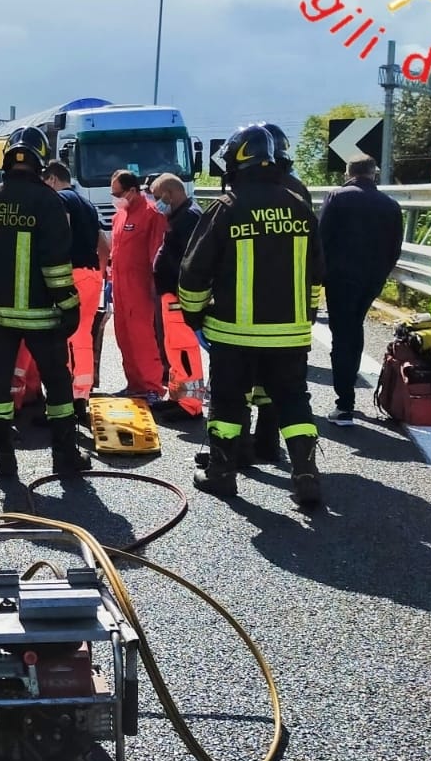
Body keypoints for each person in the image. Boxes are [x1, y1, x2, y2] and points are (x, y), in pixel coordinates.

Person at [178, 124, 326, 506]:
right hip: (290, 333)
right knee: (294, 400)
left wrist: (194, 316)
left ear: (236, 161)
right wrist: (306, 315)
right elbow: (316, 273)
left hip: (234, 333)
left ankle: (221, 473)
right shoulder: (299, 206)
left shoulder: (226, 208)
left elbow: (194, 272)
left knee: (229, 403)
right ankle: (306, 473)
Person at [0, 126, 87, 478]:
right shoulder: (49, 203)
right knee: (58, 388)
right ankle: (65, 459)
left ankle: (4, 463)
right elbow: (56, 267)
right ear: (41, 162)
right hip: (43, 318)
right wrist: (69, 305)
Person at [318, 154, 404, 424]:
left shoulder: (337, 197)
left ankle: (344, 404)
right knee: (354, 329)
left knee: (342, 335)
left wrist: (319, 275)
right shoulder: (390, 205)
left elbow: (321, 239)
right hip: (372, 279)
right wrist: (380, 274)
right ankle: (347, 397)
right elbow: (395, 248)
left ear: (348, 173)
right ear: (374, 174)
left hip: (341, 279)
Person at [44, 160, 111, 421]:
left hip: (71, 275)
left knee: (65, 337)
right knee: (82, 335)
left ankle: (67, 401)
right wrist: (99, 273)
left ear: (51, 179)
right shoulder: (87, 204)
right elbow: (104, 245)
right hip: (92, 275)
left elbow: (61, 235)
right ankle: (81, 395)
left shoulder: (60, 200)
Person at [150, 173, 207, 417]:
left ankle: (190, 405)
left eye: (156, 197)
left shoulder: (189, 217)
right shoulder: (180, 215)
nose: (155, 203)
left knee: (184, 350)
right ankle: (177, 395)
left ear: (169, 194)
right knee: (174, 348)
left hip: (179, 296)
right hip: (170, 296)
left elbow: (192, 262)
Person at [108, 169, 166, 399]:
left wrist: (155, 287)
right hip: (120, 288)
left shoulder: (151, 214)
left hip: (140, 288)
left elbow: (157, 254)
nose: (114, 198)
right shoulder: (119, 216)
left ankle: (152, 387)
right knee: (124, 337)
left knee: (142, 339)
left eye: (117, 193)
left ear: (132, 191)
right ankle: (134, 384)